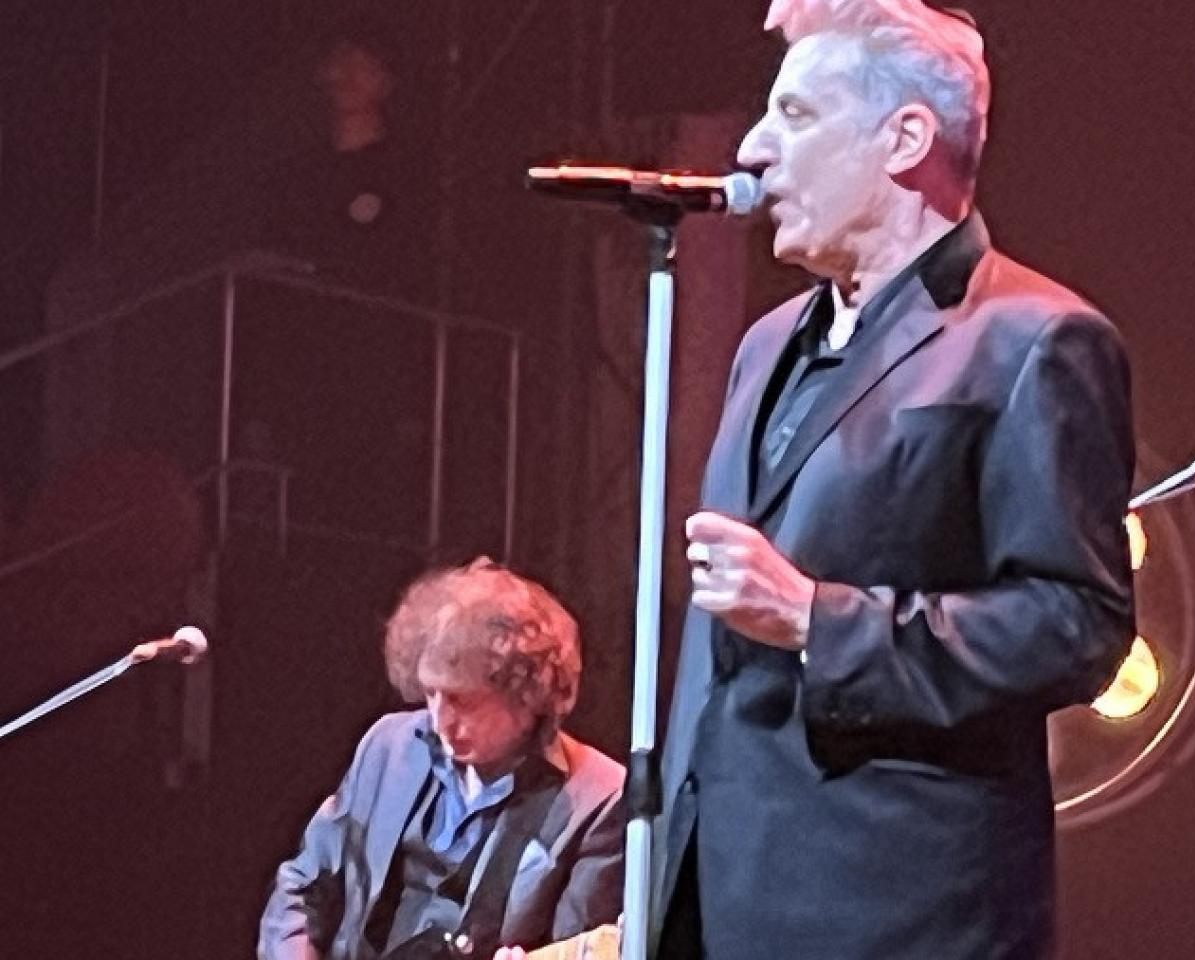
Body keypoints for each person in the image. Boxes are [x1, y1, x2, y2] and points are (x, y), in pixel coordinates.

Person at [635, 1, 1137, 957]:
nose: (752, 148)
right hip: (722, 897)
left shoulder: (1033, 340)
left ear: (906, 137)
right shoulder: (765, 344)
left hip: (898, 912)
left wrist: (818, 621)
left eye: (796, 117)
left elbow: (1077, 629)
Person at [259, 558, 624, 960]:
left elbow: (583, 944)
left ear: (527, 695)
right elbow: (304, 884)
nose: (441, 720)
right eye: (432, 694)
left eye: (462, 701)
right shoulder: (389, 746)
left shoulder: (598, 800)